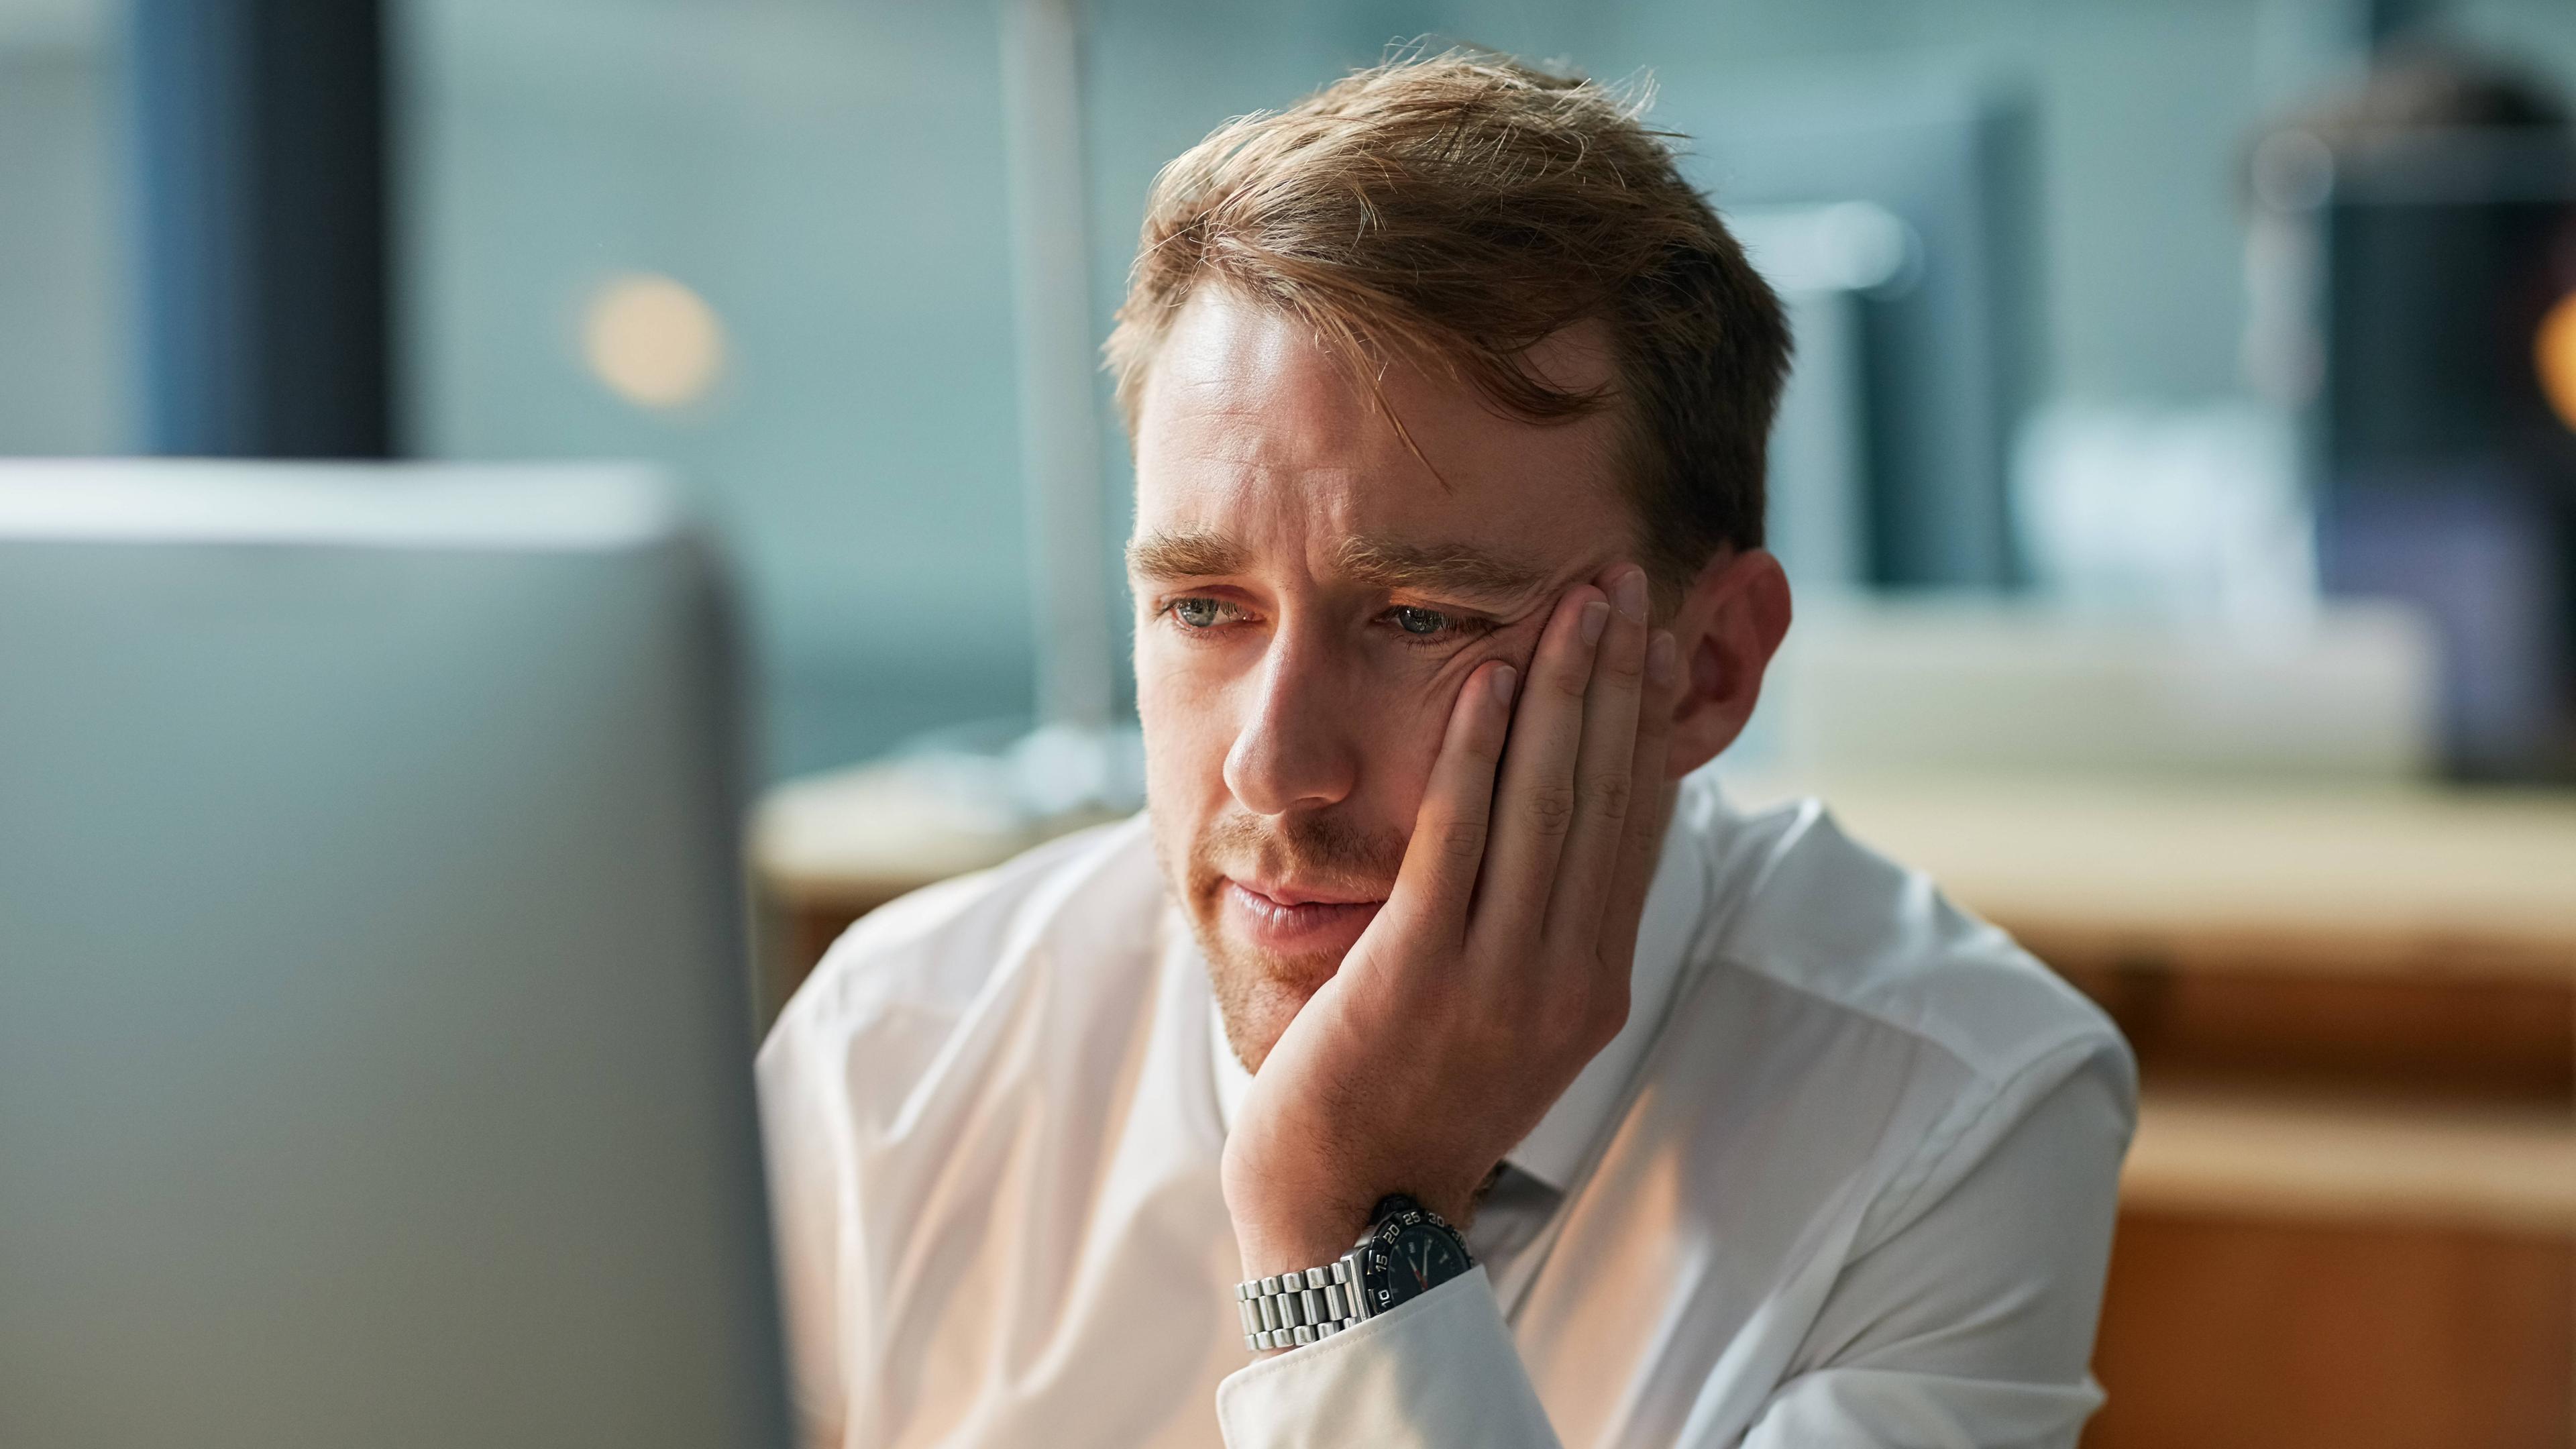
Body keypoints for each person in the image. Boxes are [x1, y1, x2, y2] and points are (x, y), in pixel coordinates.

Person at [758, 50, 2134, 1449]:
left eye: (1421, 619)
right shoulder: (896, 1051)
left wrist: (1344, 1237)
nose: (1274, 767)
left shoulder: (1953, 1110)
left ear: (1708, 670)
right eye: (1203, 607)